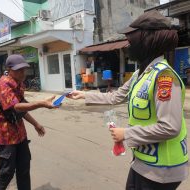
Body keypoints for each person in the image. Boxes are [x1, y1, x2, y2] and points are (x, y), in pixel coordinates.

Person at [68, 10, 188, 190]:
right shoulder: (141, 73)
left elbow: (170, 127)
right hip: (145, 161)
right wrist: (84, 94)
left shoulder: (164, 77)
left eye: (131, 42)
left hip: (163, 168)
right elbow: (116, 96)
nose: (127, 47)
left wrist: (126, 134)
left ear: (147, 42)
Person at [0, 54, 56, 190]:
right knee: (7, 172)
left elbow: (22, 108)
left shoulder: (19, 84)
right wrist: (41, 103)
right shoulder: (3, 85)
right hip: (6, 135)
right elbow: (16, 106)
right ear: (9, 69)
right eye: (19, 70)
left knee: (24, 168)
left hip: (20, 133)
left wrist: (36, 124)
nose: (22, 73)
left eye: (24, 69)